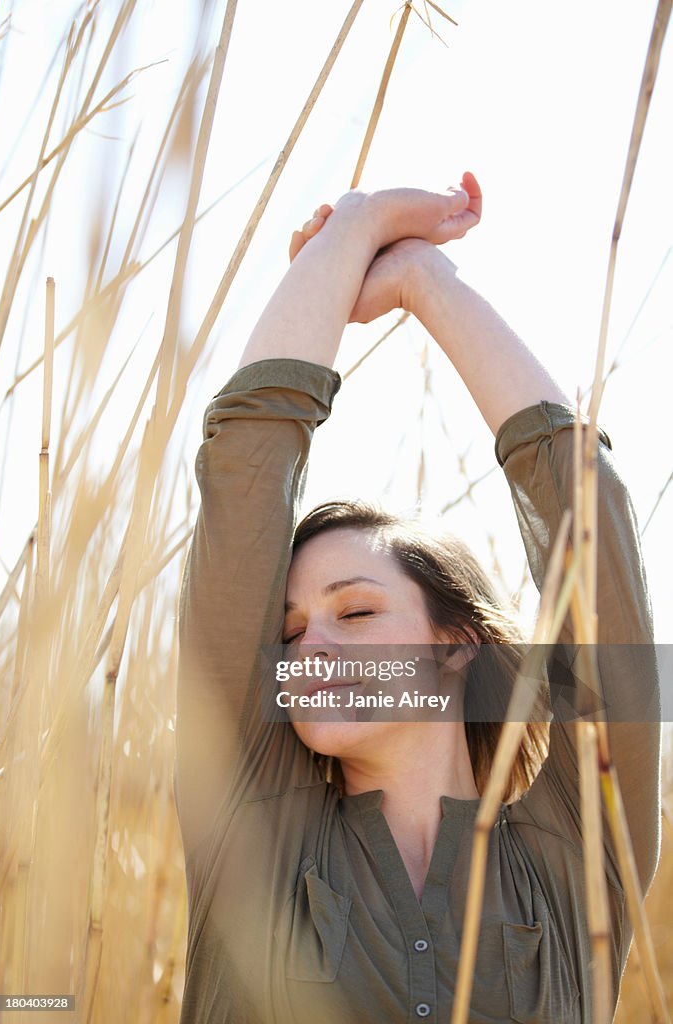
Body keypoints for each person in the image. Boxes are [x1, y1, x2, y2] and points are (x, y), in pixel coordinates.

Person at [174, 175, 661, 1023]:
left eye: (355, 611)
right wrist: (355, 228)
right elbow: (243, 470)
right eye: (286, 635)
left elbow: (586, 512)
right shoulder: (255, 824)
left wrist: (426, 282)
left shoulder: (574, 856)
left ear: (455, 642)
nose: (307, 650)